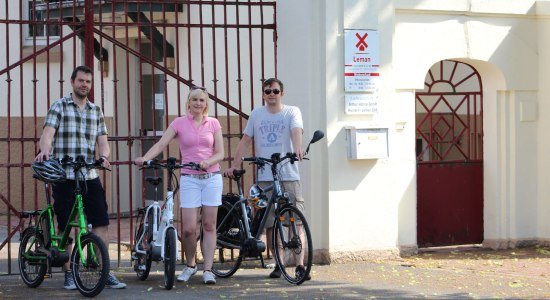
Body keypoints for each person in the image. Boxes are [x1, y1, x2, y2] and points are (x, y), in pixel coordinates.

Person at [34, 65, 126, 290]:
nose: (85, 84)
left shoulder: (96, 111)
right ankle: (68, 274)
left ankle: (105, 272)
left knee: (101, 222)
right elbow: (47, 135)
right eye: (81, 81)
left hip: (88, 174)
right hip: (64, 174)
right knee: (67, 225)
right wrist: (45, 150)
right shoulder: (60, 106)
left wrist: (103, 156)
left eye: (88, 82)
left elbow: (103, 141)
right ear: (72, 81)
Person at [134, 86, 224, 285]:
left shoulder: (214, 123)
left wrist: (208, 162)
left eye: (202, 100)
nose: (198, 104)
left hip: (211, 178)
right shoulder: (179, 123)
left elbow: (220, 153)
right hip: (189, 178)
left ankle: (208, 270)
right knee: (189, 229)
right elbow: (160, 144)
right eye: (194, 100)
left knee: (209, 225)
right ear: (188, 103)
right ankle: (191, 265)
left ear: (206, 103)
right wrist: (145, 158)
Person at [223, 77, 311, 281]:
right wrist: (235, 165)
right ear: (263, 94)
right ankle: (278, 264)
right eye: (268, 91)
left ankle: (299, 266)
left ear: (282, 93)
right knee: (271, 223)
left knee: (296, 221)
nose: (272, 94)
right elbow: (246, 139)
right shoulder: (256, 114)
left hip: (288, 172)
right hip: (265, 175)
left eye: (275, 91)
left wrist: (298, 148)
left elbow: (296, 131)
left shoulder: (292, 111)